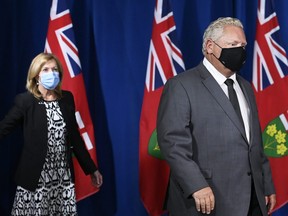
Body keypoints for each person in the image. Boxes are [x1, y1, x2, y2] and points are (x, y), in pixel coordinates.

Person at [157, 17, 276, 216]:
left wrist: (265, 185)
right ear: (210, 46)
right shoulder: (181, 85)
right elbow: (172, 143)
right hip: (206, 199)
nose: (240, 50)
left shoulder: (246, 87)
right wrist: (196, 185)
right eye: (233, 45)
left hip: (253, 199)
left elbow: (254, 143)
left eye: (243, 45)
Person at [0, 52, 103, 215]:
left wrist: (91, 169)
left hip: (63, 177)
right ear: (36, 75)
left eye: (54, 70)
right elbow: (4, 128)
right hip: (36, 178)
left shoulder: (67, 98)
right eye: (46, 69)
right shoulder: (25, 101)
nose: (51, 74)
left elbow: (75, 139)